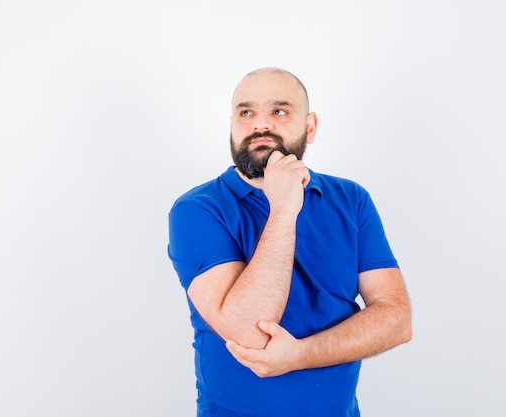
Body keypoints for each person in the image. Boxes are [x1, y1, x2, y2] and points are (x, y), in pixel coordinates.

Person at [167, 67, 412, 417]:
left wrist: (299, 355)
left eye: (279, 111)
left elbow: (395, 320)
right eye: (246, 112)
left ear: (310, 127)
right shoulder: (198, 209)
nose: (260, 125)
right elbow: (249, 332)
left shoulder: (351, 199)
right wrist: (283, 208)